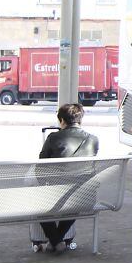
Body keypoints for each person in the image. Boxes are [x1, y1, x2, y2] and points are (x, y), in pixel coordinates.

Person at [38, 103, 99, 253]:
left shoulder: (53, 137)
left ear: (62, 121)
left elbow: (40, 166)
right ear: (80, 120)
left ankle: (56, 241)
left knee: (38, 203)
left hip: (57, 192)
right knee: (75, 202)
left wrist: (42, 184)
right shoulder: (93, 140)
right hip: (86, 195)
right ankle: (57, 240)